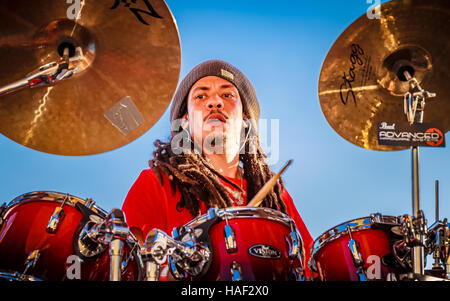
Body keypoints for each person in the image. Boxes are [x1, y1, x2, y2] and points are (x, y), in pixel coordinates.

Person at [122, 59, 313, 279]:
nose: (215, 102)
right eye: (201, 96)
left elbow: (310, 267)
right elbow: (127, 268)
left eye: (227, 95)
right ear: (184, 121)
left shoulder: (274, 195)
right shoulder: (157, 182)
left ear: (244, 120)